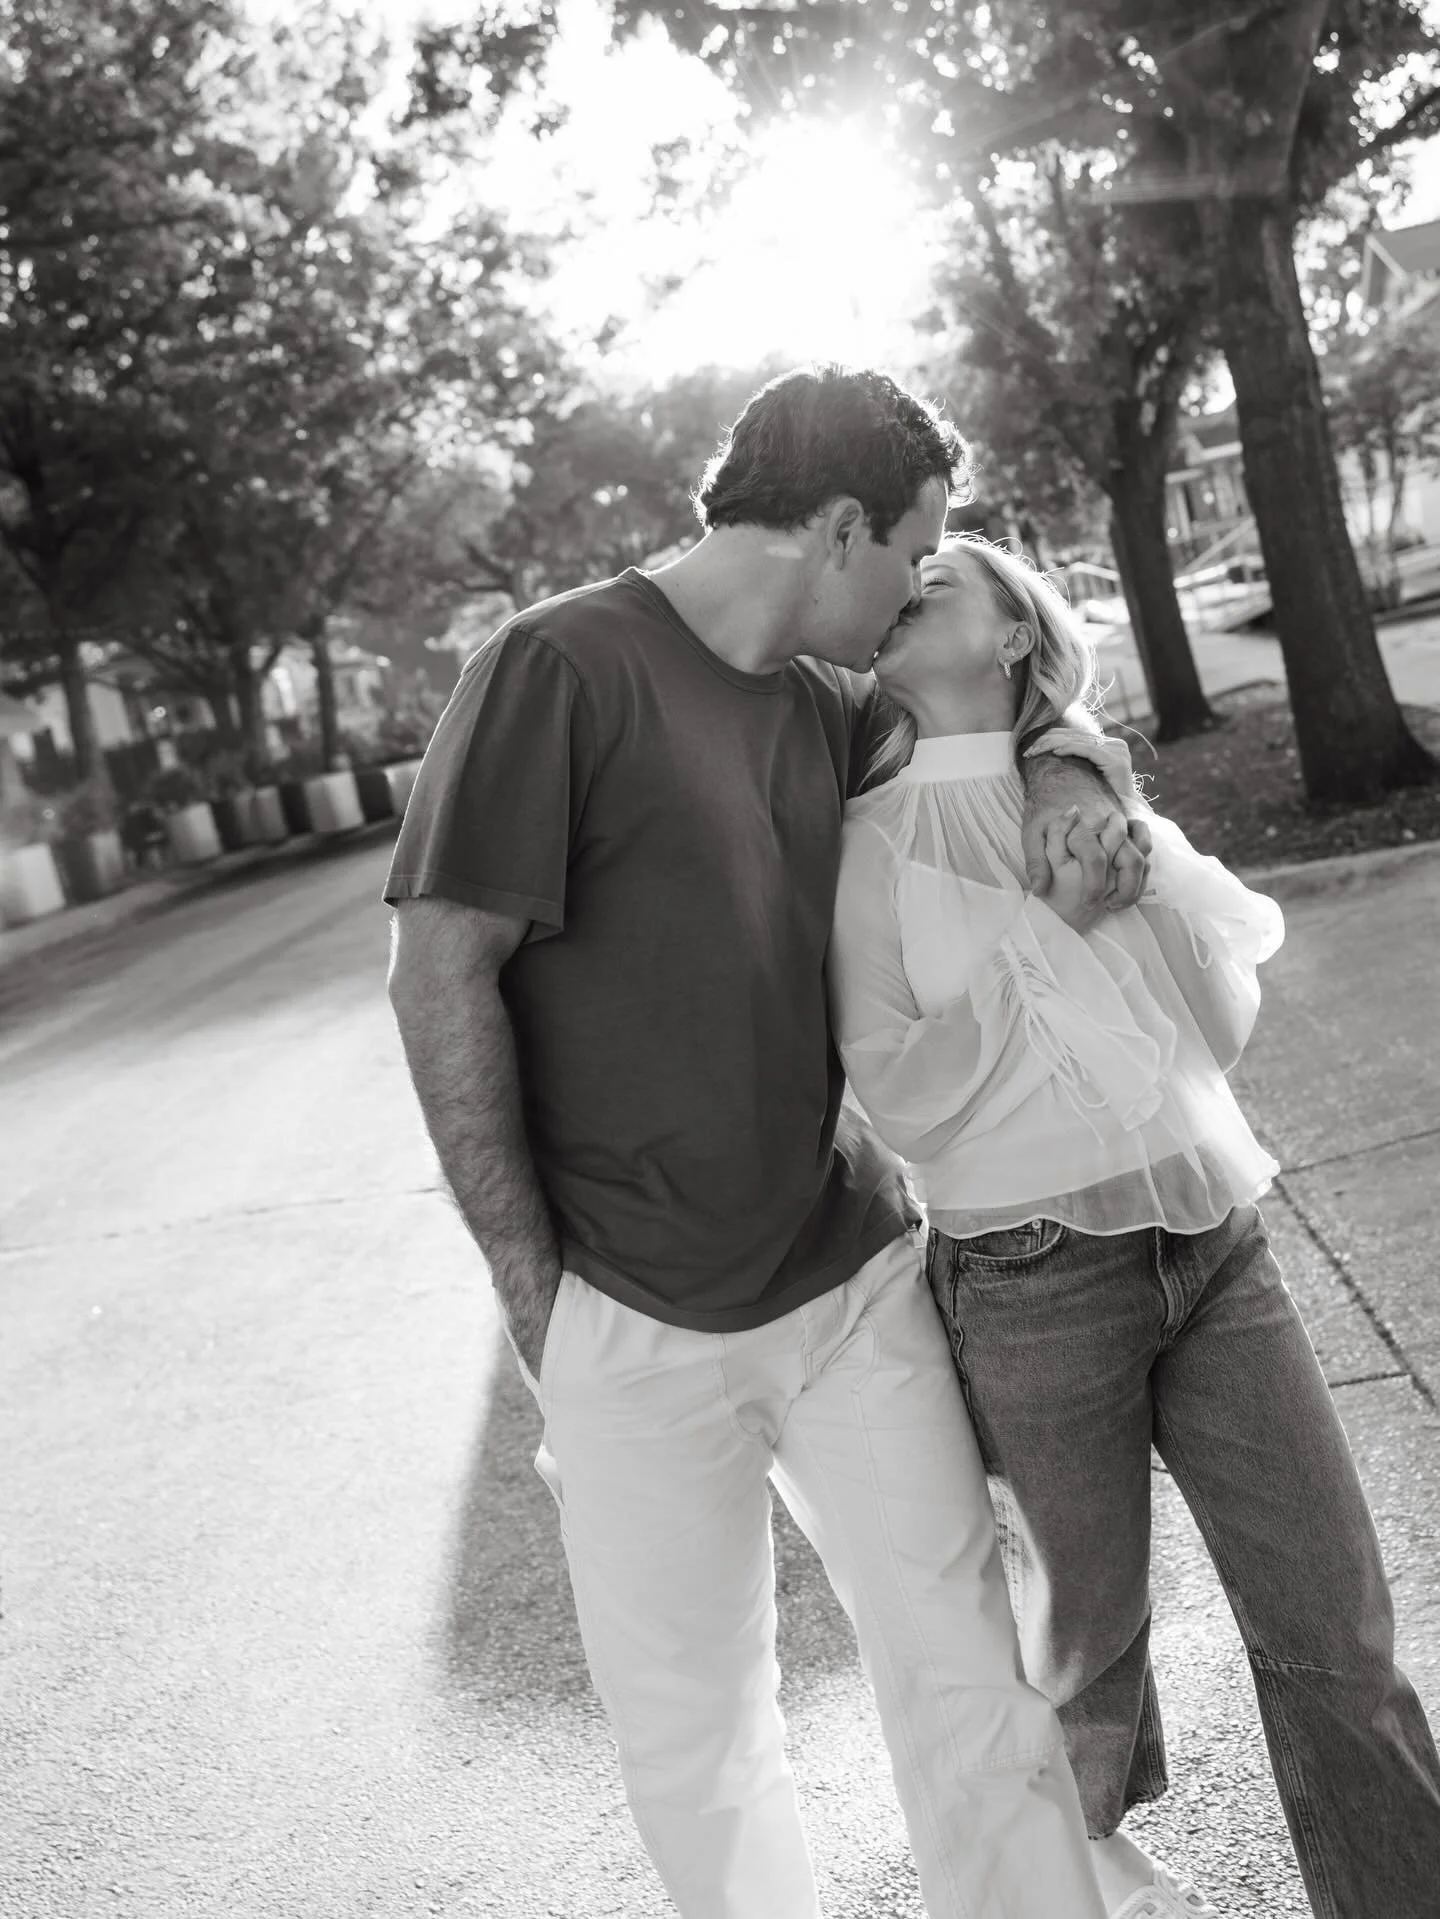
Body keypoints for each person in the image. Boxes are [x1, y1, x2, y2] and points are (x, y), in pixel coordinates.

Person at [383, 367, 1148, 1919]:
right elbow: (438, 968)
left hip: (850, 1277)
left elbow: (1010, 715)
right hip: (628, 1309)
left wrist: (1067, 772)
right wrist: (541, 1300)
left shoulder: (834, 699)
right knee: (701, 1743)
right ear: (842, 526)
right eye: (915, 552)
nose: (921, 589)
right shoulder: (556, 668)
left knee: (968, 1677)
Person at [827, 533, 1440, 1919]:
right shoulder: (863, 847)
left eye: (952, 567)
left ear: (1014, 638)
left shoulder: (1095, 795)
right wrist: (1047, 923)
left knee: (1338, 1639)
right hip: (1027, 1280)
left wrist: (1134, 896)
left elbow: (1215, 1036)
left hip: (1215, 1246)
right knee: (1086, 1668)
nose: (915, 571)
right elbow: (908, 1101)